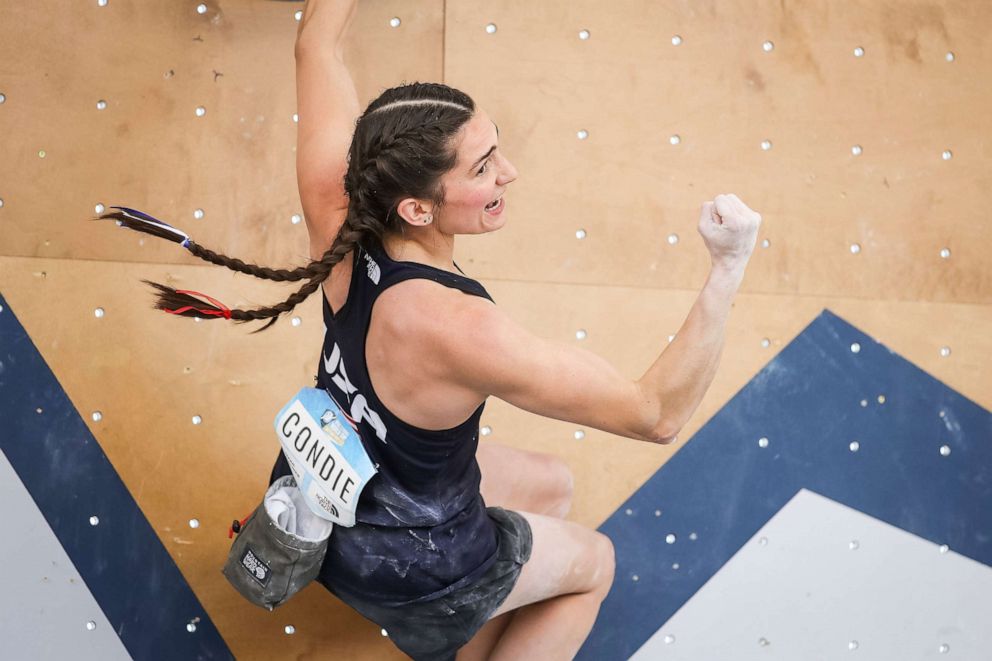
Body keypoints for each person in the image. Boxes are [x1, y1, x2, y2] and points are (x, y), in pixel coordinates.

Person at [109, 1, 761, 658]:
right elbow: (654, 413)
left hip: (317, 511)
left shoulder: (336, 199)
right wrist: (728, 267)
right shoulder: (459, 328)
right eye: (481, 170)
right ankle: (451, 618)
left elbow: (317, 43)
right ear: (417, 206)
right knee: (594, 564)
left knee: (553, 485)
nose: (509, 173)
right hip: (410, 567)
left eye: (496, 147)